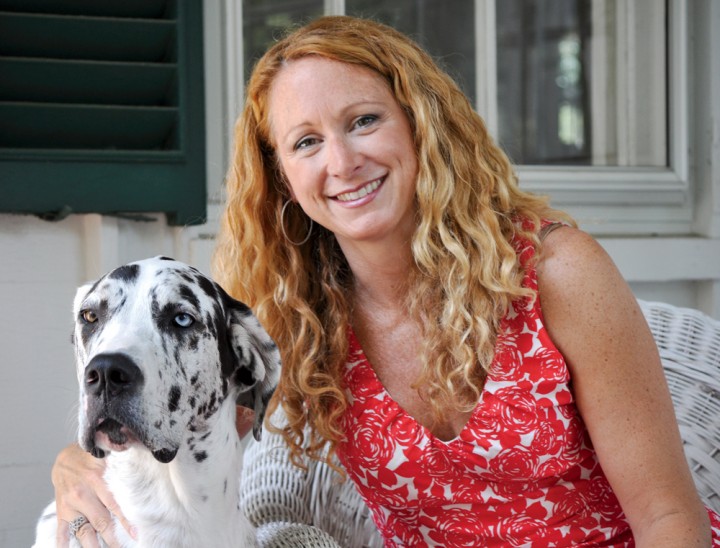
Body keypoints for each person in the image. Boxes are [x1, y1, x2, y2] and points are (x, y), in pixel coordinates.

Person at [51, 15, 720, 547]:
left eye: (363, 120)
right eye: (306, 142)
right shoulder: (298, 321)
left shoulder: (557, 273)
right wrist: (75, 467)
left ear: (420, 125)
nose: (341, 162)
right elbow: (177, 413)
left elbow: (671, 521)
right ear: (282, 177)